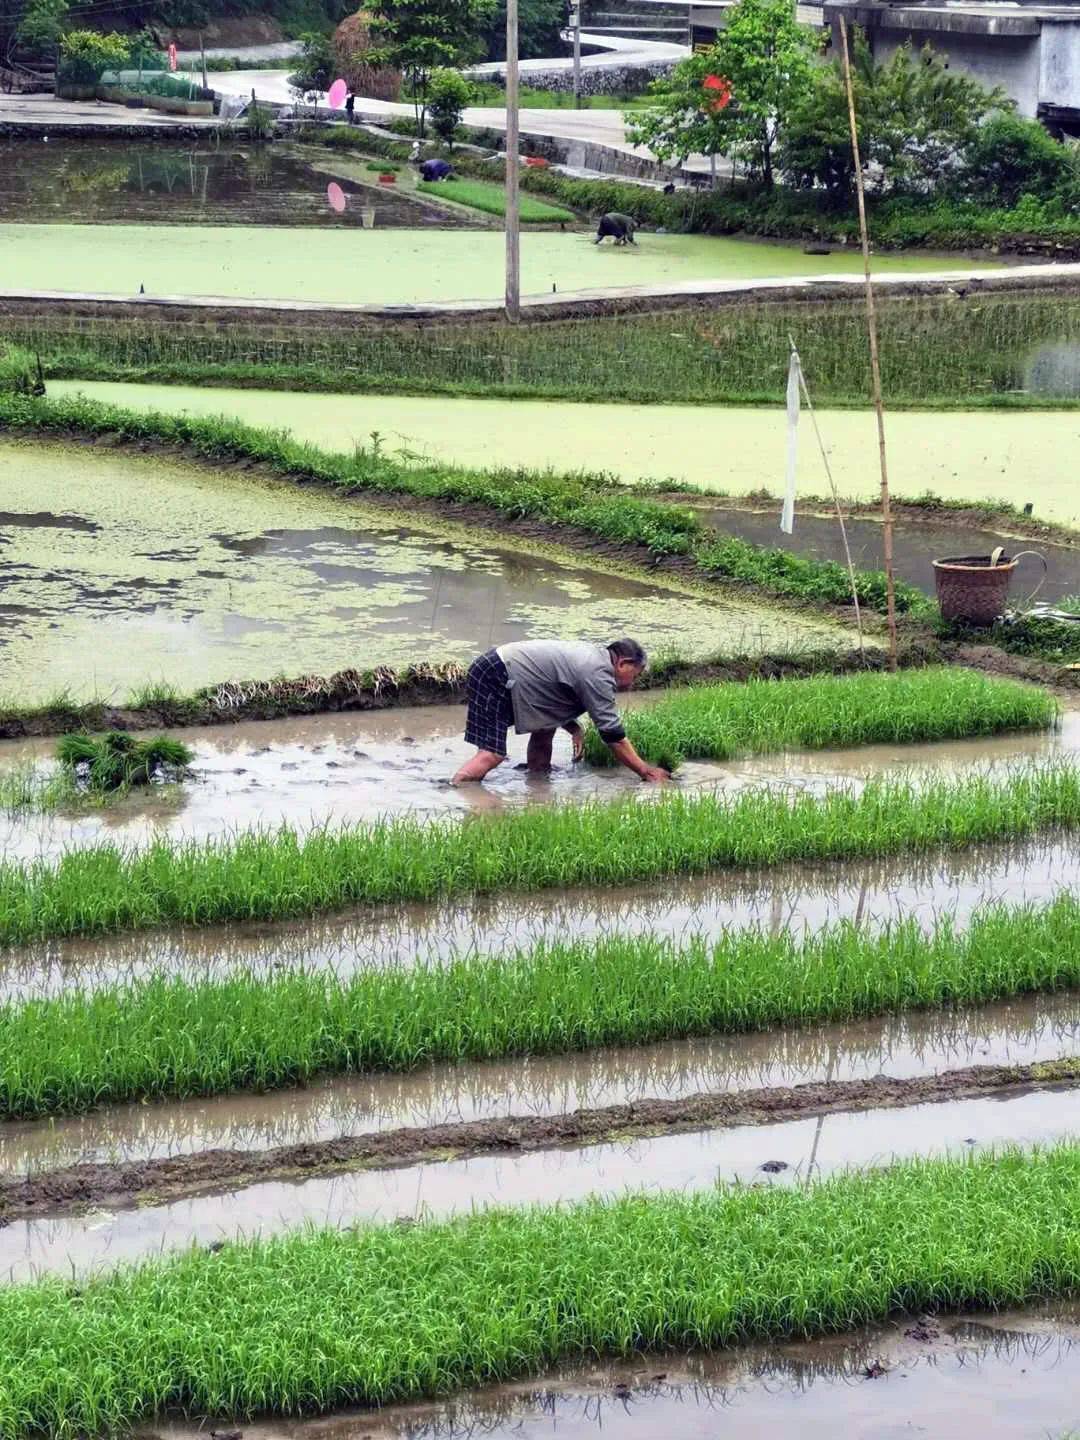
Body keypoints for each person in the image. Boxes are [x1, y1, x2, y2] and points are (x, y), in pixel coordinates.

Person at [452, 637, 669, 785]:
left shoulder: (594, 658)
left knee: (545, 729)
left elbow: (553, 684)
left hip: (500, 667)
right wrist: (645, 771)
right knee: (492, 754)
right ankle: (458, 789)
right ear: (623, 663)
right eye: (636, 674)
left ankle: (537, 782)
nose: (633, 682)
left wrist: (574, 728)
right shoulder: (599, 673)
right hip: (496, 672)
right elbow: (612, 734)